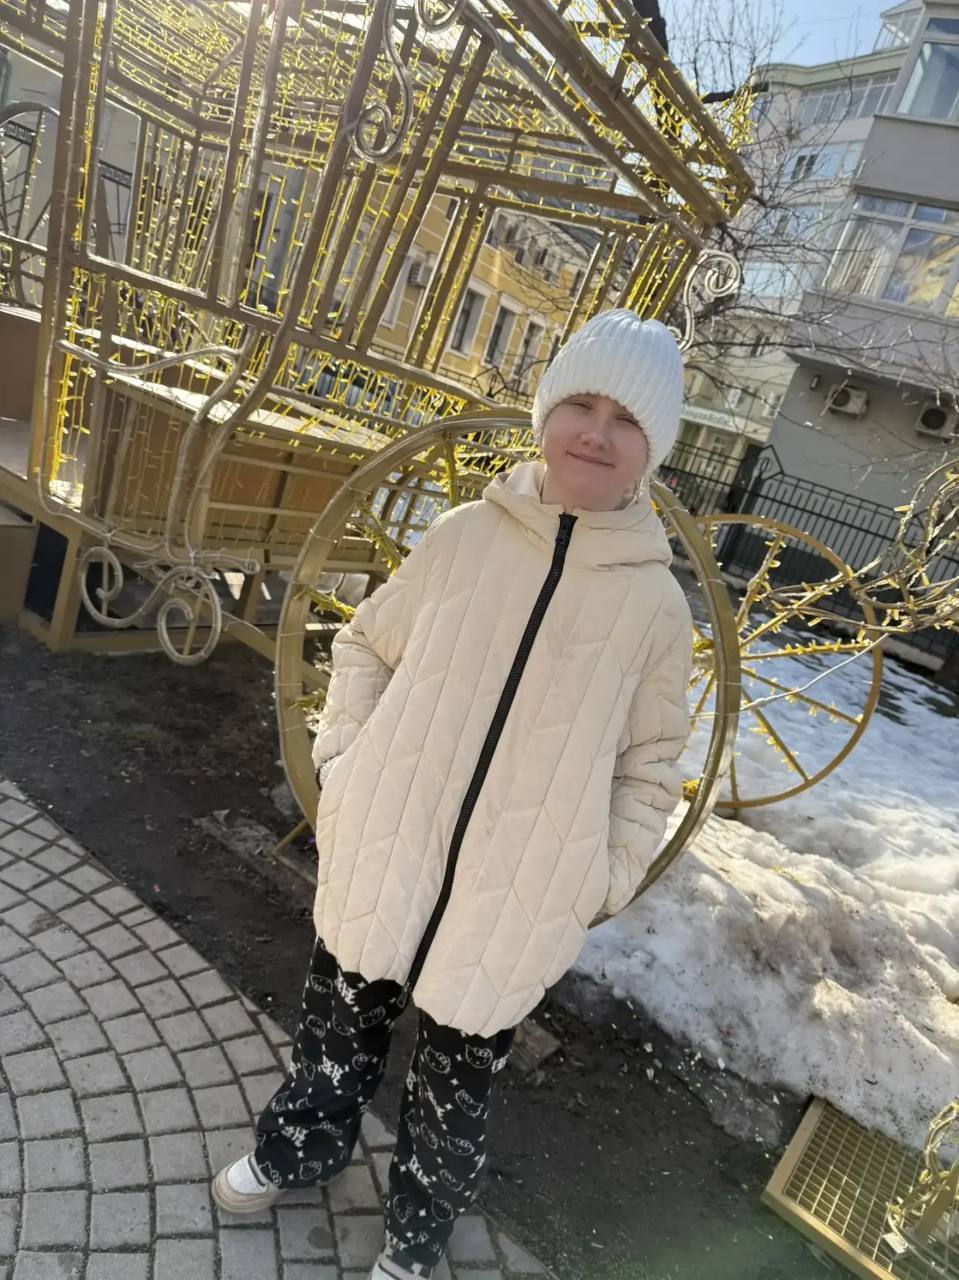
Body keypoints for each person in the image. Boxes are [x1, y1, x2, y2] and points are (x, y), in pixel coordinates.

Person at [212, 309, 695, 1279]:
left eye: (626, 420)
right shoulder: (464, 537)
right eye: (581, 404)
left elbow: (650, 765)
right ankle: (302, 1143)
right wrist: (346, 763)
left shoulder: (653, 605)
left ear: (654, 449)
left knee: (457, 1083)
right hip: (388, 837)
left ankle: (417, 1231)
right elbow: (364, 643)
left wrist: (596, 877)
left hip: (517, 891)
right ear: (545, 415)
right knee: (336, 1024)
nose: (597, 433)